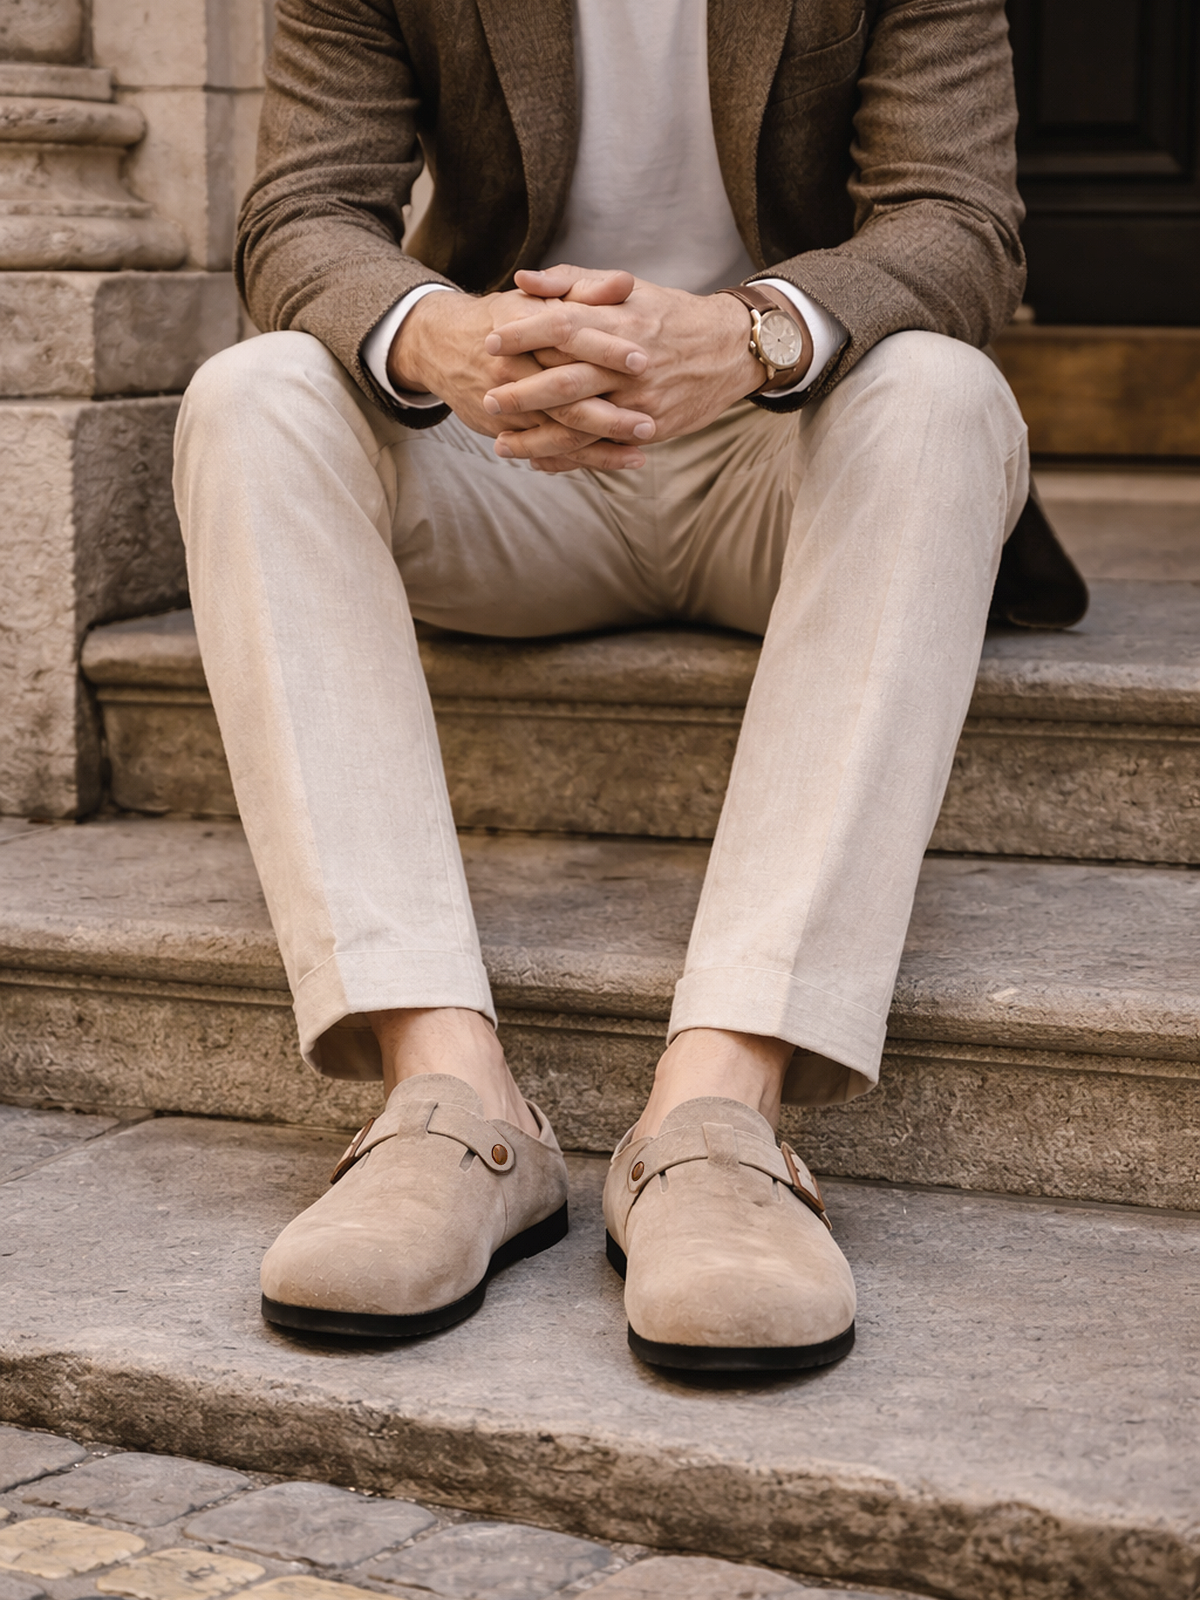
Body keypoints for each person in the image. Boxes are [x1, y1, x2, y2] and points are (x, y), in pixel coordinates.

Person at [174, 0, 1059, 1373]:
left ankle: (719, 1116)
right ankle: (451, 1100)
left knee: (941, 394)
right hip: (509, 462)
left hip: (786, 457)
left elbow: (958, 221)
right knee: (253, 398)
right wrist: (439, 339)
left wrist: (752, 333)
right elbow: (299, 216)